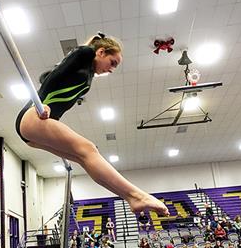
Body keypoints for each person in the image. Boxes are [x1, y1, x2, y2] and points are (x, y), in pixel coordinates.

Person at [15, 33, 169, 217]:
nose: (112, 69)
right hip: (34, 115)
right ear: (101, 52)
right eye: (113, 62)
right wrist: (43, 102)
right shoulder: (84, 54)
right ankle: (137, 196)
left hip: (33, 128)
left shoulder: (86, 68)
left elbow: (49, 74)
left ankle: (130, 198)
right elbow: (53, 76)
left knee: (83, 158)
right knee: (89, 149)